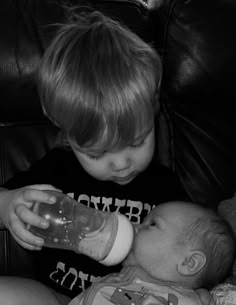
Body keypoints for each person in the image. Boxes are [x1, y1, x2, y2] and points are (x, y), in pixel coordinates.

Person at [0, 9, 186, 305]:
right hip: (58, 297)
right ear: (67, 133)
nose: (121, 163)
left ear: (154, 109)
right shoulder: (57, 170)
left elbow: (194, 246)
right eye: (97, 153)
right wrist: (7, 205)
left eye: (136, 142)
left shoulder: (165, 188)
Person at [68, 201, 236, 305]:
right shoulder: (115, 280)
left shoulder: (186, 300)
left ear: (188, 263)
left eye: (152, 224)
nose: (135, 226)